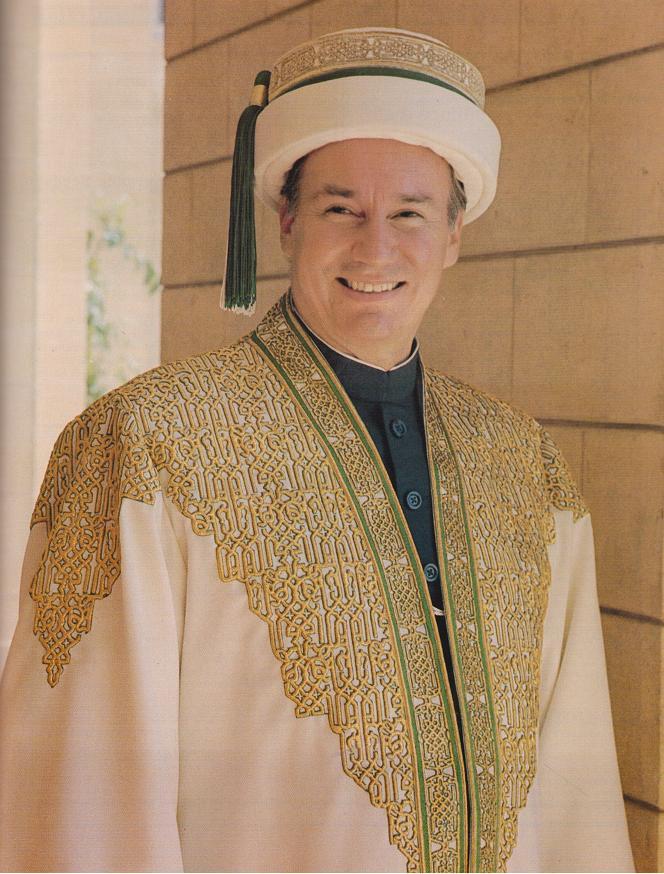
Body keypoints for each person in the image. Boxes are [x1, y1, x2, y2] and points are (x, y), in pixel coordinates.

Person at [0, 27, 633, 873]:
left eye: (411, 213)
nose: (376, 247)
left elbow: (576, 798)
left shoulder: (525, 468)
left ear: (454, 236)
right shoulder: (146, 444)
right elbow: (82, 798)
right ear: (288, 221)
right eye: (343, 208)